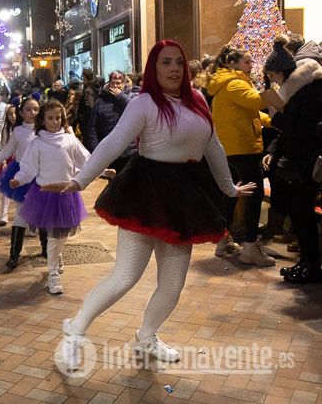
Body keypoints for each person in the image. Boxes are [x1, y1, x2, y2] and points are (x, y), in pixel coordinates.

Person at [44, 41, 256, 368]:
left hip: (184, 197)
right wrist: (81, 180)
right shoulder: (144, 103)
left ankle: (147, 336)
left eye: (179, 62)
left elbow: (213, 145)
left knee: (172, 285)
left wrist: (228, 187)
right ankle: (75, 329)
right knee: (125, 277)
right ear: (153, 68)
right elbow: (114, 142)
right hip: (144, 193)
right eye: (165, 62)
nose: (174, 69)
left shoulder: (198, 99)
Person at [10, 100, 89, 294]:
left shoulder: (70, 140)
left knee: (62, 235)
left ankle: (57, 256)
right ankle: (53, 275)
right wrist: (18, 179)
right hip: (45, 194)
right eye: (50, 118)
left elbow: (86, 161)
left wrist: (103, 170)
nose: (54, 122)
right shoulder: (37, 143)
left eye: (58, 118)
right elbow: (28, 167)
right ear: (43, 120)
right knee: (53, 237)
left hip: (67, 194)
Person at [207, 46, 274, 264]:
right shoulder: (234, 83)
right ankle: (250, 246)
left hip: (230, 148)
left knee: (232, 193)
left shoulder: (224, 83)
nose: (251, 65)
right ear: (232, 63)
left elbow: (249, 112)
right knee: (253, 194)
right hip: (243, 147)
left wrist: (270, 121)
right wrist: (277, 92)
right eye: (247, 62)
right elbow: (257, 101)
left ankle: (223, 239)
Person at [263, 40, 322, 283]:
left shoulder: (309, 91)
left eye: (273, 76)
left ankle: (311, 266)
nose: (273, 81)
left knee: (302, 214)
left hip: (306, 162)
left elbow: (303, 129)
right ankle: (306, 263)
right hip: (299, 160)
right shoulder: (300, 89)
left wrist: (276, 117)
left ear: (282, 71)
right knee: (299, 214)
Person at [0, 98, 47, 268]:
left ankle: (46, 248)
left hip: (42, 176)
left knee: (43, 213)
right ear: (21, 113)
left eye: (36, 109)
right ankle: (14, 254)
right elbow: (6, 151)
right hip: (22, 176)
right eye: (28, 110)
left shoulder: (45, 131)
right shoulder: (18, 131)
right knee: (20, 215)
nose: (33, 113)